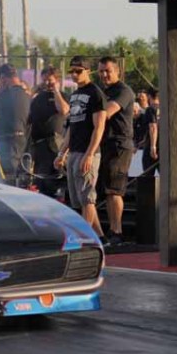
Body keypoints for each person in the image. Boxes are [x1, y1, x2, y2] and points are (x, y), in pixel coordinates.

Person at [54, 56, 107, 242]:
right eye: (72, 71)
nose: (75, 75)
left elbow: (99, 126)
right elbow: (71, 127)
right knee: (78, 199)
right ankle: (100, 236)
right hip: (75, 151)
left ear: (88, 71)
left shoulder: (95, 93)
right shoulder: (75, 94)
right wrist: (62, 152)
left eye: (78, 71)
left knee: (87, 198)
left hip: (88, 151)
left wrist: (90, 154)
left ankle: (85, 238)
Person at [97, 56, 136, 245]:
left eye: (108, 71)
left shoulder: (123, 91)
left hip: (119, 144)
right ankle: (111, 230)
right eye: (101, 71)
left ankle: (116, 232)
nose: (104, 74)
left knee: (114, 190)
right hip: (105, 145)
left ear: (117, 71)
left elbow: (107, 113)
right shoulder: (103, 92)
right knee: (107, 190)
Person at [27, 66, 70, 197]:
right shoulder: (39, 97)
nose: (47, 83)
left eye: (50, 80)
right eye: (44, 80)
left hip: (53, 144)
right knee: (40, 180)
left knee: (53, 179)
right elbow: (27, 111)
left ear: (57, 80)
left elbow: (64, 110)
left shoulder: (62, 96)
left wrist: (56, 90)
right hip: (38, 145)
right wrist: (35, 90)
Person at [0, 63, 31, 183]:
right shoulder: (26, 95)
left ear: (3, 78)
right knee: (23, 174)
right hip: (23, 138)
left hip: (7, 140)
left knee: (9, 176)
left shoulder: (4, 95)